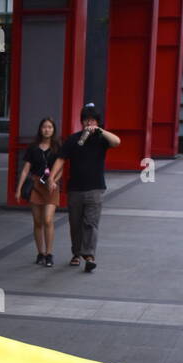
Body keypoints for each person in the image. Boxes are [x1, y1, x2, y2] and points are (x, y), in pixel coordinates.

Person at [63, 105, 120, 273]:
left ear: (98, 122)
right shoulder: (74, 139)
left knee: (91, 223)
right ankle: (76, 253)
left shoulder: (102, 140)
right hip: (75, 188)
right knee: (75, 223)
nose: (89, 123)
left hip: (95, 188)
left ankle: (89, 256)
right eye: (87, 120)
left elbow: (117, 142)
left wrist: (100, 130)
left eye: (93, 120)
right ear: (81, 121)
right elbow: (61, 158)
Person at [15, 117, 64, 266]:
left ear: (53, 129)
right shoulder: (33, 147)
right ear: (40, 129)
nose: (47, 129)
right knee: (37, 221)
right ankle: (40, 253)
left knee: (48, 220)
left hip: (51, 186)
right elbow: (25, 170)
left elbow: (61, 168)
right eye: (44, 127)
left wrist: (54, 181)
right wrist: (18, 189)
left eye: (50, 127)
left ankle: (49, 254)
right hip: (36, 185)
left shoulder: (57, 146)